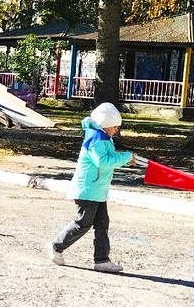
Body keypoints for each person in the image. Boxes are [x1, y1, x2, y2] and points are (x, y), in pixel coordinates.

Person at [47, 102, 133, 273]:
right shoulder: (95, 139)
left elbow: (108, 158)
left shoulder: (102, 137)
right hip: (88, 190)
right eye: (115, 126)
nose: (116, 129)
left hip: (97, 190)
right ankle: (56, 246)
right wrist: (126, 157)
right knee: (83, 223)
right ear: (105, 124)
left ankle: (102, 260)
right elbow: (103, 162)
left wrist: (125, 159)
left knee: (102, 224)